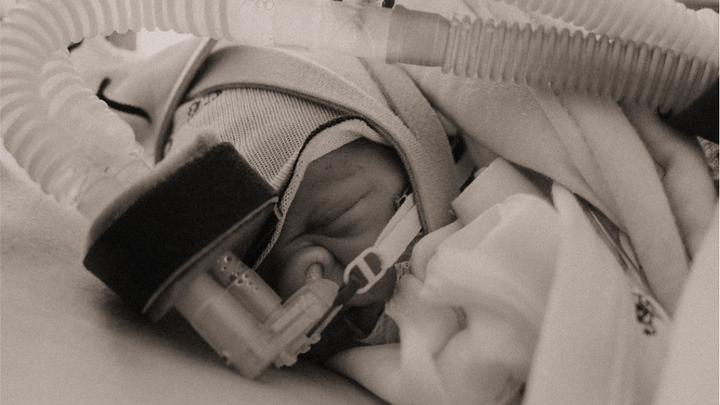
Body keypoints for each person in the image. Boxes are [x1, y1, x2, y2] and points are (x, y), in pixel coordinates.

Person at [71, 14, 717, 403]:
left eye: (329, 218)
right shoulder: (423, 314)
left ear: (398, 136)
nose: (312, 278)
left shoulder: (480, 93)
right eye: (265, 282)